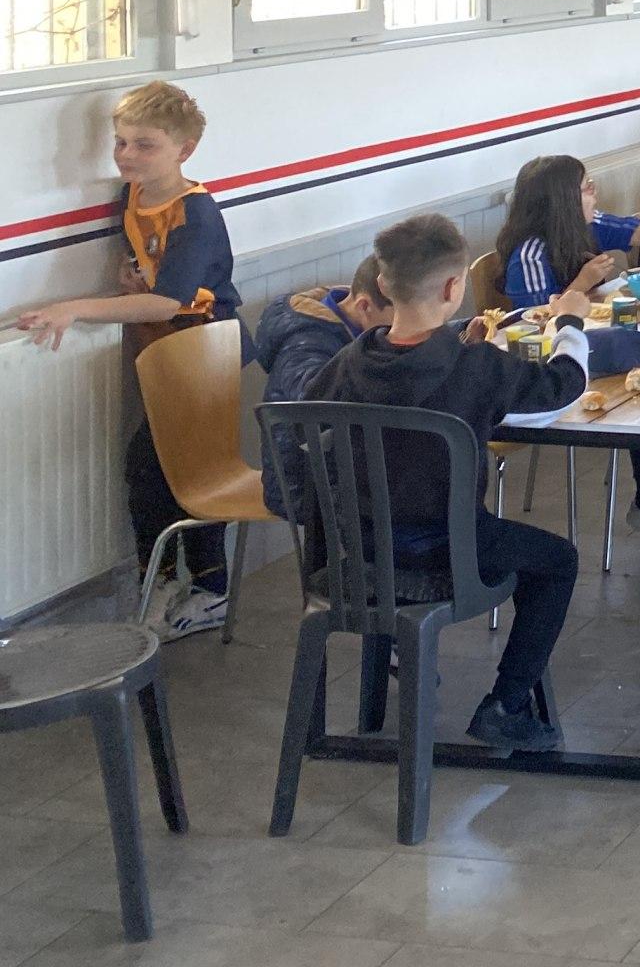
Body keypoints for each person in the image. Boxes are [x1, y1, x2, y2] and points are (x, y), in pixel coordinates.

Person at [311, 212, 586, 752]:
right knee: (558, 561)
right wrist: (571, 324)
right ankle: (507, 704)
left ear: (383, 282)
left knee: (532, 555)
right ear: (453, 288)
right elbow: (564, 386)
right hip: (450, 554)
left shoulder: (346, 362)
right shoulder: (476, 367)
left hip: (358, 554)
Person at [15, 82, 241, 639]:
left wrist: (75, 307)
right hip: (161, 347)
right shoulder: (133, 194)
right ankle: (164, 579)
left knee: (179, 469)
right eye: (120, 142)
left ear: (184, 150)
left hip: (202, 349)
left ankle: (208, 588)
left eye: (145, 145)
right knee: (158, 470)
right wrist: (133, 276)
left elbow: (169, 300)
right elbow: (151, 269)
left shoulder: (196, 213)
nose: (126, 155)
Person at [251, 255, 391, 521]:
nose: (399, 332)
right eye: (396, 324)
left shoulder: (353, 313)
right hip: (306, 485)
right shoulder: (306, 340)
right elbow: (312, 405)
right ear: (364, 306)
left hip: (344, 473)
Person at [497, 153, 640, 310]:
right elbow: (537, 320)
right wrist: (583, 282)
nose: (595, 192)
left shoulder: (587, 224)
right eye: (587, 188)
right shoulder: (530, 257)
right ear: (565, 201)